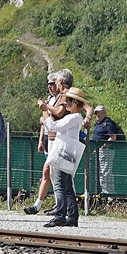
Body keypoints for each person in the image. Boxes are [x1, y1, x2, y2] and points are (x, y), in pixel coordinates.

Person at [25, 69, 92, 214]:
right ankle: (61, 208)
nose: (52, 85)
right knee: (53, 174)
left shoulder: (68, 99)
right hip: (54, 138)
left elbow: (58, 116)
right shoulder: (59, 98)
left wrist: (45, 112)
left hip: (61, 141)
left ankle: (63, 210)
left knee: (62, 177)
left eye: (54, 82)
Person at [40, 87, 86, 228]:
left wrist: (45, 110)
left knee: (60, 186)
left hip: (62, 155)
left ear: (75, 103)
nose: (66, 103)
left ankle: (60, 215)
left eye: (68, 101)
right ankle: (72, 217)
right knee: (67, 188)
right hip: (68, 154)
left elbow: (53, 126)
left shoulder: (74, 117)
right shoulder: (76, 117)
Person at [91, 104, 124, 196]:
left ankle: (109, 193)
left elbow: (113, 137)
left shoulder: (108, 123)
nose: (96, 114)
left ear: (103, 113)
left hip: (106, 151)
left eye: (98, 112)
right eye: (95, 113)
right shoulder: (98, 124)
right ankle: (104, 192)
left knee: (106, 172)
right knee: (101, 173)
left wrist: (103, 147)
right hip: (99, 151)